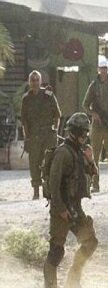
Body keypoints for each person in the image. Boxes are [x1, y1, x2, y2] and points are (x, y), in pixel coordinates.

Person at [41, 113, 98, 288]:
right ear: (75, 133)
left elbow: (92, 174)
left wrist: (90, 160)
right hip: (62, 208)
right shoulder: (63, 153)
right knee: (56, 251)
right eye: (83, 133)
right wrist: (59, 208)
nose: (85, 137)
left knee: (90, 242)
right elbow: (53, 183)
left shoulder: (80, 151)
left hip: (75, 207)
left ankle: (73, 280)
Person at [82, 58, 108, 192]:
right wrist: (93, 114)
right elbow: (85, 104)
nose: (104, 71)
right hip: (97, 125)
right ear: (98, 70)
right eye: (102, 68)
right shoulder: (93, 86)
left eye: (105, 68)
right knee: (94, 156)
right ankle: (95, 185)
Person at [21, 70, 61, 200]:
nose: (35, 83)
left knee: (50, 162)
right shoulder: (26, 98)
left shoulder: (48, 94)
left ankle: (50, 190)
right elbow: (24, 121)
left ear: (40, 81)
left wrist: (55, 129)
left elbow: (57, 114)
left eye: (37, 80)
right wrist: (26, 137)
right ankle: (36, 191)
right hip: (34, 135)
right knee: (34, 163)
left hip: (49, 134)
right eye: (32, 80)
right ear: (29, 82)